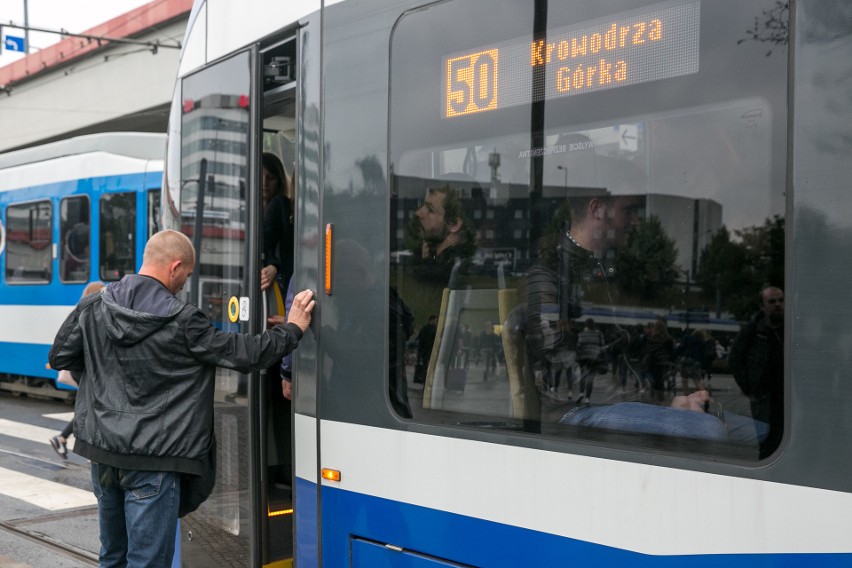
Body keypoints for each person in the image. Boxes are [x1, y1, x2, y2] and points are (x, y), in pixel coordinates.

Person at [48, 229, 315, 568]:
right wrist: (293, 328)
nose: (184, 284)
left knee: (112, 556)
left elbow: (61, 358)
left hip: (102, 454)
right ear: (175, 267)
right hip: (155, 459)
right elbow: (246, 355)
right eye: (186, 276)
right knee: (148, 562)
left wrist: (105, 370)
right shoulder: (183, 320)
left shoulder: (94, 306)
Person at [560, 389, 768, 446]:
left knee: (767, 434)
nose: (704, 394)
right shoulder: (709, 426)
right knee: (712, 428)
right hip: (576, 416)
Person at [49, 280, 105, 460]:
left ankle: (62, 438)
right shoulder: (91, 315)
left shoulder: (80, 312)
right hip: (83, 369)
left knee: (92, 405)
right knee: (94, 405)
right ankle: (86, 445)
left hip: (81, 368)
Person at [728, 285, 784, 457]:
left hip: (786, 394)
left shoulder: (792, 328)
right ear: (762, 306)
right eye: (772, 301)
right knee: (767, 442)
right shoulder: (753, 329)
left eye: (781, 300)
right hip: (763, 395)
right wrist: (749, 389)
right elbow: (735, 359)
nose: (778, 305)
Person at [260, 152, 295, 292]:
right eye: (260, 176)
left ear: (279, 180)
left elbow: (288, 248)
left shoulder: (283, 205)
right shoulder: (244, 212)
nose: (264, 183)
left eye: (271, 177)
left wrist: (274, 265)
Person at [576, 318, 606, 405]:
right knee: (590, 378)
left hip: (583, 358)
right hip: (594, 358)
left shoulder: (582, 334)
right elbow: (603, 346)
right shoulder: (599, 333)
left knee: (583, 376)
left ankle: (581, 393)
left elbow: (579, 346)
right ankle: (587, 399)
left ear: (586, 325)